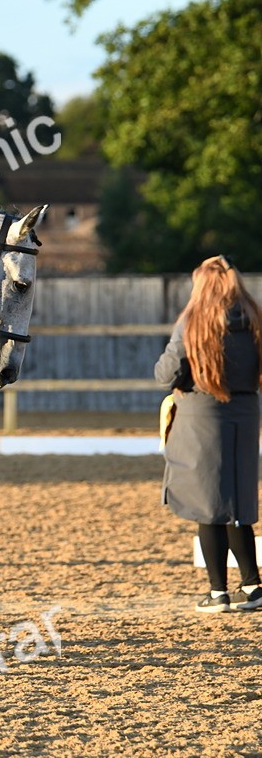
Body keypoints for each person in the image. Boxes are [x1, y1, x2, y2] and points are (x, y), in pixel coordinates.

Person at [155, 255, 262, 613]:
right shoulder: (254, 319)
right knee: (237, 501)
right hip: (246, 413)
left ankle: (218, 592)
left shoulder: (193, 321)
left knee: (208, 504)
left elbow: (167, 373)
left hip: (202, 412)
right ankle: (253, 585)